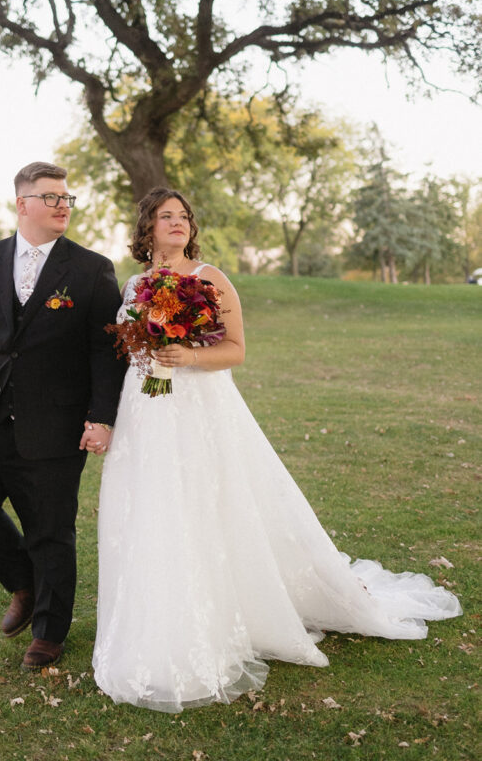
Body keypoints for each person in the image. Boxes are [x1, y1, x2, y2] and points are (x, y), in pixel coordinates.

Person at [91, 186, 462, 712]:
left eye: (184, 216)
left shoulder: (210, 278)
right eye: (165, 216)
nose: (177, 223)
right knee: (151, 509)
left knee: (204, 505)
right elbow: (126, 347)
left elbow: (235, 350)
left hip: (198, 410)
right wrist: (146, 351)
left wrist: (186, 356)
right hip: (147, 409)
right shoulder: (134, 284)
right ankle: (155, 618)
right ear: (146, 227)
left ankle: (221, 617)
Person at [0, 161, 125, 670]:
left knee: (51, 531)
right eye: (51, 197)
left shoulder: (91, 269)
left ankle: (48, 632)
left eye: (67, 198)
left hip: (55, 426)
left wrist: (101, 416)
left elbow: (105, 353)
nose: (63, 205)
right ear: (23, 204)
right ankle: (24, 582)